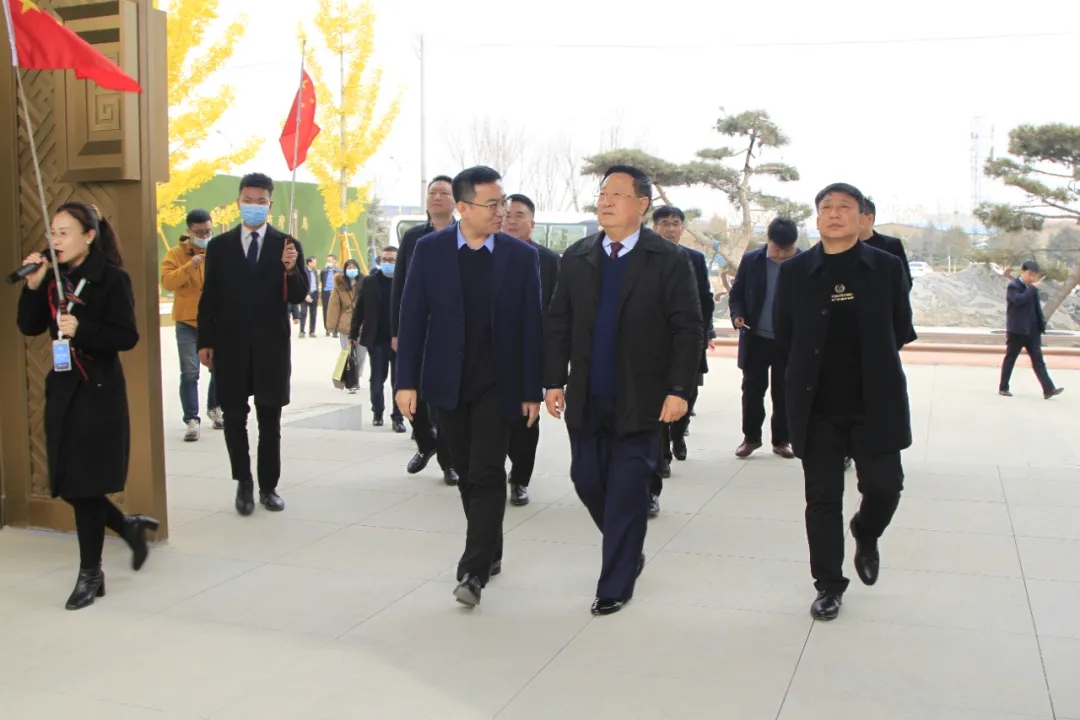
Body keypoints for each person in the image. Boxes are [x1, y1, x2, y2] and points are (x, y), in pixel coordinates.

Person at [544, 165, 702, 616]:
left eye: (617, 194)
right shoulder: (577, 257)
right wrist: (553, 379)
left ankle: (615, 583)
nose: (606, 201)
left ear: (642, 204)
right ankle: (628, 548)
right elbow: (558, 322)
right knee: (587, 480)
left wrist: (679, 389)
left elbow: (688, 328)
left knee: (628, 491)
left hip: (643, 398)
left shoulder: (667, 259)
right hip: (588, 395)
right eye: (602, 194)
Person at [396, 165, 543, 607]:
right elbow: (412, 317)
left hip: (499, 384)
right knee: (463, 472)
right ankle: (490, 548)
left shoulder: (521, 257)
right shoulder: (430, 250)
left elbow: (532, 327)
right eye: (492, 204)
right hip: (447, 382)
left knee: (486, 471)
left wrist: (532, 389)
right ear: (463, 207)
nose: (502, 211)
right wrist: (405, 382)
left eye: (504, 203)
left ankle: (472, 571)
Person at [774, 182, 913, 621]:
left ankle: (865, 531)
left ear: (862, 218)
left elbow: (901, 327)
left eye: (845, 207)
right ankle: (829, 585)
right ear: (817, 218)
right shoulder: (795, 272)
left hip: (875, 401)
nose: (835, 214)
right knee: (822, 499)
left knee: (885, 487)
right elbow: (784, 332)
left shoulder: (886, 267)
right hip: (817, 406)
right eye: (827, 207)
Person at [17, 202, 158, 610]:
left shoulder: (112, 278)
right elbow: (29, 326)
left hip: (98, 391)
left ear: (89, 236)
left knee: (85, 483)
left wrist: (83, 329)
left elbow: (126, 336)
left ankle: (90, 573)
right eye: (53, 233)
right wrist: (33, 286)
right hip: (63, 389)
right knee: (69, 482)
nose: (55, 240)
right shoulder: (53, 277)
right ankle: (128, 527)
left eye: (64, 233)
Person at [197, 173, 309, 516]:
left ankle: (268, 486)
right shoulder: (220, 246)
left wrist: (291, 269)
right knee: (234, 417)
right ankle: (243, 482)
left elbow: (299, 294)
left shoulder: (287, 245)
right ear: (238, 202)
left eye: (261, 202)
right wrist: (205, 340)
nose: (254, 206)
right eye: (248, 200)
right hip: (230, 345)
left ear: (270, 205)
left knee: (269, 420)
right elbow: (209, 297)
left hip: (271, 346)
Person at [391, 175, 458, 485]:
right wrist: (396, 331)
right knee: (408, 390)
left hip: (449, 333)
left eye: (444, 192)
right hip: (417, 330)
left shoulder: (464, 236)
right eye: (432, 192)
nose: (437, 197)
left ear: (456, 201)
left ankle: (448, 462)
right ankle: (425, 441)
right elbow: (400, 287)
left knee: (444, 399)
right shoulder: (413, 238)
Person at [649, 205, 714, 517]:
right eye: (664, 223)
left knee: (688, 392)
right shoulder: (647, 258)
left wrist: (703, 332)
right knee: (659, 399)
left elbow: (705, 300)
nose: (670, 229)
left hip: (689, 338)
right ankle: (662, 456)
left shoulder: (694, 259)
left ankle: (678, 436)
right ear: (654, 227)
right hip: (657, 343)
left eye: (675, 224)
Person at [501, 193, 560, 507]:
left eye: (519, 215)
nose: (511, 220)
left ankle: (520, 479)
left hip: (531, 354)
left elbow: (559, 311)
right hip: (492, 354)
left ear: (532, 223)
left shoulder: (547, 260)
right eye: (507, 214)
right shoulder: (485, 252)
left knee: (526, 420)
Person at [728, 216, 800, 460]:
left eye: (788, 250)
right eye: (777, 249)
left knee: (784, 392)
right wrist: (737, 314)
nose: (782, 255)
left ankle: (782, 440)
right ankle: (751, 438)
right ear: (768, 241)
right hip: (756, 337)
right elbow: (736, 294)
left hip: (788, 342)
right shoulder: (752, 260)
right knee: (752, 391)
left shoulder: (803, 263)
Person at [160, 208, 222, 441]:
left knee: (219, 368)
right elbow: (167, 282)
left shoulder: (218, 251)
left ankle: (214, 407)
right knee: (189, 372)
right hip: (187, 322)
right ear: (189, 231)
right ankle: (191, 419)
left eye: (208, 231)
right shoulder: (175, 254)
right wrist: (190, 266)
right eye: (199, 232)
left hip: (215, 322)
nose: (204, 235)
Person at [349, 247, 406, 431]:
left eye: (392, 260)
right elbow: (359, 309)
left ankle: (398, 417)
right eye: (384, 260)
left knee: (399, 381)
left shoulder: (405, 280)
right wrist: (353, 333)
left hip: (400, 341)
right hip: (377, 340)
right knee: (377, 380)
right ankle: (378, 412)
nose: (388, 263)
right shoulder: (370, 282)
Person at [999, 260, 1064, 399]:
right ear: (1022, 272)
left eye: (1034, 275)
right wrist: (1032, 289)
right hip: (1017, 331)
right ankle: (1003, 387)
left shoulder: (1032, 288)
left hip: (1033, 331)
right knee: (1011, 358)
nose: (1032, 278)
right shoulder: (1014, 286)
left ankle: (1049, 389)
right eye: (1030, 274)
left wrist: (1041, 324)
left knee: (1038, 360)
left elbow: (1036, 308)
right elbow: (1019, 300)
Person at [326, 258, 364, 394]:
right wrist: (331, 325)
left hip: (362, 325)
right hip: (345, 325)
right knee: (348, 354)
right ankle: (352, 381)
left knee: (361, 356)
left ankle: (356, 376)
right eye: (349, 267)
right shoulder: (339, 285)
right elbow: (334, 306)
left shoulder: (365, 283)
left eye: (354, 267)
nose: (351, 269)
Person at [319, 254, 340, 338]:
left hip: (335, 293)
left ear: (335, 261)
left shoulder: (339, 271)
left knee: (336, 311)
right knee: (326, 311)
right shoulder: (323, 271)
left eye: (330, 261)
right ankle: (327, 328)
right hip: (326, 293)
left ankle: (335, 330)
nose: (328, 262)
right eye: (327, 261)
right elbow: (322, 281)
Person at [299, 256, 319, 338]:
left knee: (313, 314)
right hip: (305, 295)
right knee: (303, 313)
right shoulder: (303, 271)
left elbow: (316, 283)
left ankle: (312, 331)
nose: (315, 264)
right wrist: (305, 294)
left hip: (314, 294)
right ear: (309, 263)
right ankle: (302, 331)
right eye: (314, 262)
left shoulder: (315, 271)